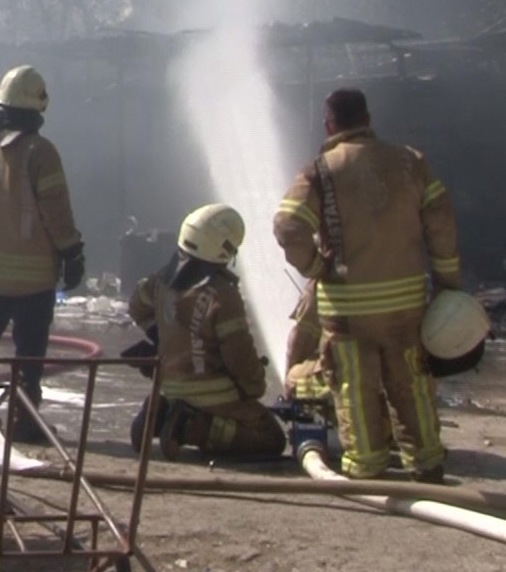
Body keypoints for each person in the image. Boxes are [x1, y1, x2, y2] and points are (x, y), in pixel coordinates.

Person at [274, 88, 460, 482]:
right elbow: (441, 221)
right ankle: (426, 461)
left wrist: (315, 266)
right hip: (406, 306)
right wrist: (447, 284)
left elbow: (288, 224)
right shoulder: (411, 162)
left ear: (329, 125)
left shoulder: (319, 171)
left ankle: (367, 467)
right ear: (368, 119)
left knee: (353, 386)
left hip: (348, 311)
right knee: (411, 382)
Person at [0, 65, 85, 442]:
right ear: (35, 112)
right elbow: (56, 212)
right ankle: (24, 422)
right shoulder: (41, 152)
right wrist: (72, 252)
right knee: (29, 354)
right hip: (31, 279)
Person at [128, 204, 287, 462]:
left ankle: (161, 415)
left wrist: (160, 337)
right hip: (215, 395)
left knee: (185, 404)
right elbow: (238, 354)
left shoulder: (162, 281)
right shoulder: (223, 293)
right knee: (270, 437)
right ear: (225, 248)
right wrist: (255, 385)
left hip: (171, 387)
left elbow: (137, 305)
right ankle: (190, 428)